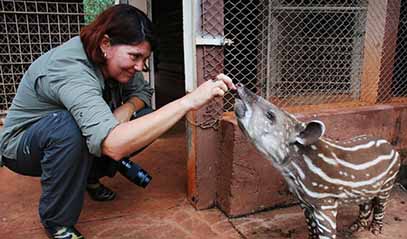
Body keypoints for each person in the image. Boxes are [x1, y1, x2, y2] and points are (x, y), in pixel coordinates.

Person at [0, 4, 235, 239]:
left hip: (72, 135)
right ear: (105, 44)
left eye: (145, 59)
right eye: (135, 56)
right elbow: (113, 145)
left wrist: (126, 109)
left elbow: (143, 94)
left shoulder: (116, 63)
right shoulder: (70, 67)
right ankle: (57, 222)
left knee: (142, 119)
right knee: (69, 128)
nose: (140, 66)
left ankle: (89, 177)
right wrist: (188, 102)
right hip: (24, 146)